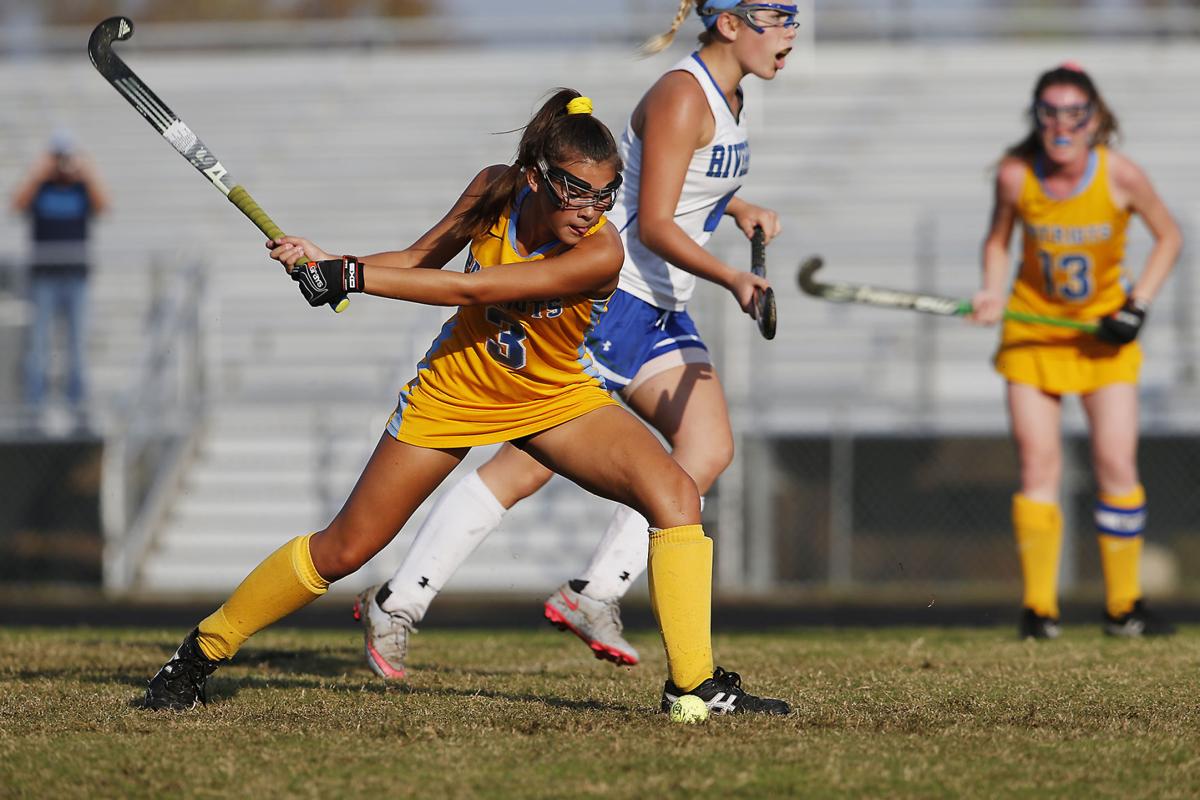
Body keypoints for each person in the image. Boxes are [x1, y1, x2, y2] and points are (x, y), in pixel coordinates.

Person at [142, 89, 790, 717]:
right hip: (453, 391)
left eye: (604, 194)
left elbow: (471, 291)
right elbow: (419, 259)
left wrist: (351, 277)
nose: (590, 210)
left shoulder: (601, 251)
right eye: (575, 190)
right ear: (536, 177)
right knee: (343, 549)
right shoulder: (494, 189)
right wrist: (331, 261)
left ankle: (694, 686)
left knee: (675, 495)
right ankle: (197, 655)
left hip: (552, 395)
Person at [352, 0, 795, 679]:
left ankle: (594, 592)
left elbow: (674, 180)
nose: (790, 30)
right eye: (778, 14)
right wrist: (732, 276)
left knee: (707, 449)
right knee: (524, 464)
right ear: (730, 22)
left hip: (665, 304)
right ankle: (399, 601)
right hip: (620, 298)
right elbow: (652, 224)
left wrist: (735, 206)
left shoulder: (733, 97)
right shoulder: (684, 95)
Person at [971, 63, 1182, 640]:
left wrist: (1137, 305)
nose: (1061, 125)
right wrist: (990, 291)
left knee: (1115, 462)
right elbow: (998, 241)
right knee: (1038, 464)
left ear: (1094, 119)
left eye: (1074, 113)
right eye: (1050, 112)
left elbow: (1169, 236)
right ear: (1036, 116)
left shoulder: (1121, 175)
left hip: (1101, 340)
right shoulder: (1016, 176)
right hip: (1032, 335)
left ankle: (1124, 608)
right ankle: (1039, 611)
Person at [11, 130, 109, 428]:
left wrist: (87, 172)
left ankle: (77, 407)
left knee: (77, 346)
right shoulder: (40, 186)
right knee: (39, 345)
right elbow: (17, 205)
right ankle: (35, 409)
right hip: (44, 278)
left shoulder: (81, 186)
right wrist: (37, 173)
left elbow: (103, 206)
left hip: (75, 277)